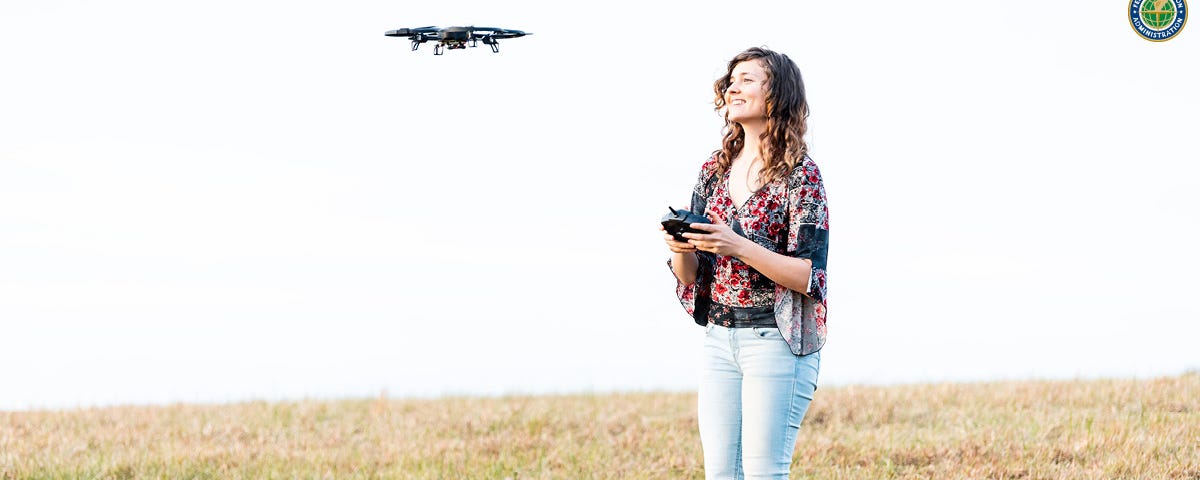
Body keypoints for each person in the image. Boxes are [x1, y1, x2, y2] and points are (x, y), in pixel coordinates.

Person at [662, 46, 829, 479]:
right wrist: (680, 249)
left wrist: (737, 245)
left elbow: (808, 275)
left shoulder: (800, 174)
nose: (734, 86)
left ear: (777, 94)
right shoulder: (713, 170)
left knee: (763, 473)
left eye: (749, 79)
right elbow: (693, 276)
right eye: (732, 79)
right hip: (720, 339)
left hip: (775, 339)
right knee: (720, 475)